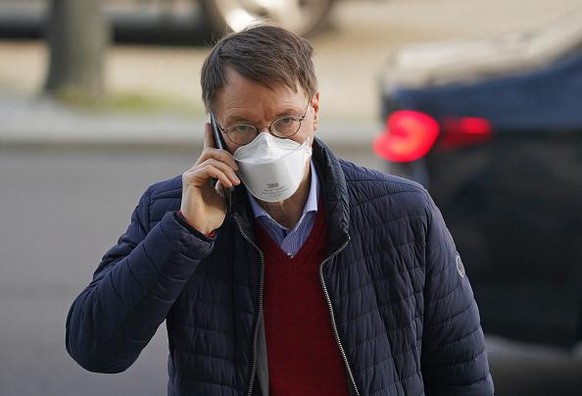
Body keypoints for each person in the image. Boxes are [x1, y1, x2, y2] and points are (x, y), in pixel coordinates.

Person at [66, 24, 494, 395]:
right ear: (214, 130)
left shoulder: (401, 212)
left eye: (286, 121)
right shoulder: (172, 213)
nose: (267, 143)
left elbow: (461, 372)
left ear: (315, 113)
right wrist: (186, 234)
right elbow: (95, 347)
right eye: (243, 128)